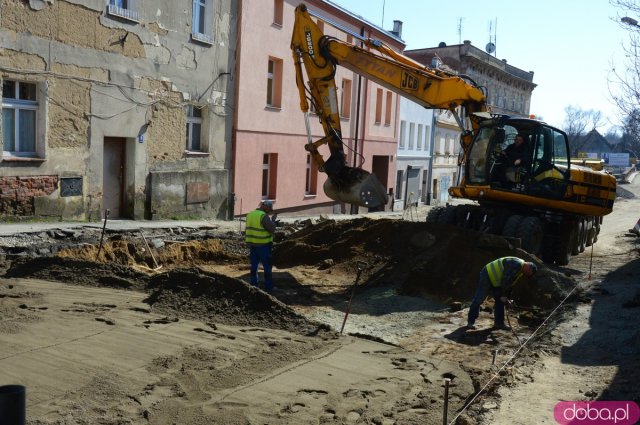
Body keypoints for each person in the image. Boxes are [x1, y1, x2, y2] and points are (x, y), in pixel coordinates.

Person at [466, 256, 537, 330]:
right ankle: (470, 322)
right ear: (528, 268)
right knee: (479, 298)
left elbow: (511, 284)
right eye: (528, 273)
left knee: (500, 300)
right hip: (487, 275)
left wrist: (507, 298)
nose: (526, 275)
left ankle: (499, 324)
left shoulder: (520, 271)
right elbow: (505, 280)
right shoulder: (515, 264)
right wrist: (504, 295)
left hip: (496, 281)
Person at [245, 200, 278, 292]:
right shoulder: (263, 216)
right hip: (263, 245)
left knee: (254, 266)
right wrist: (273, 221)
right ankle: (269, 287)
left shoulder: (250, 214)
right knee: (267, 266)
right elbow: (271, 229)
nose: (269, 211)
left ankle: (254, 286)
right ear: (265, 206)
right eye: (269, 209)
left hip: (252, 244)